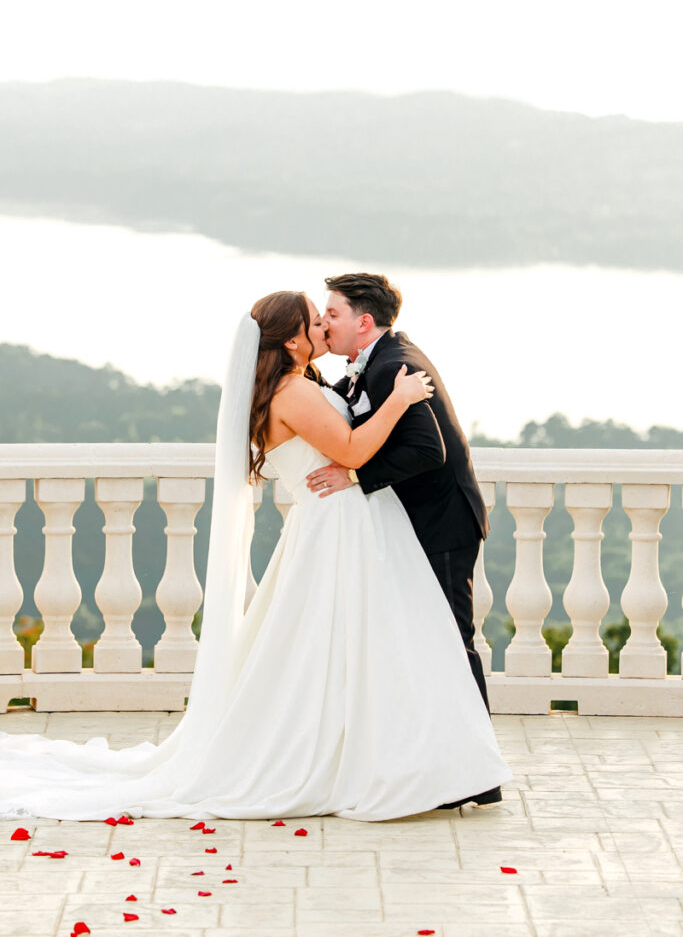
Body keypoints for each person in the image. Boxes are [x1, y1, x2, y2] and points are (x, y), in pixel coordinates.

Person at [0, 291, 510, 823]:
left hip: (339, 523)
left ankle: (395, 756)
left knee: (358, 646)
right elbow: (354, 450)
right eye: (316, 321)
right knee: (348, 645)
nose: (322, 327)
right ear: (292, 340)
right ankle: (364, 761)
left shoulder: (297, 386)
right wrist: (400, 400)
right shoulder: (292, 392)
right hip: (337, 527)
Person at [306, 273, 499, 808]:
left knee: (452, 642)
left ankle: (479, 777)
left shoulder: (394, 365)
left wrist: (355, 477)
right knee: (430, 642)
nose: (326, 323)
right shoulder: (379, 360)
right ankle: (448, 766)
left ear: (364, 321)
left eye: (334, 315)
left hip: (443, 525)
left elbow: (426, 451)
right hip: (427, 524)